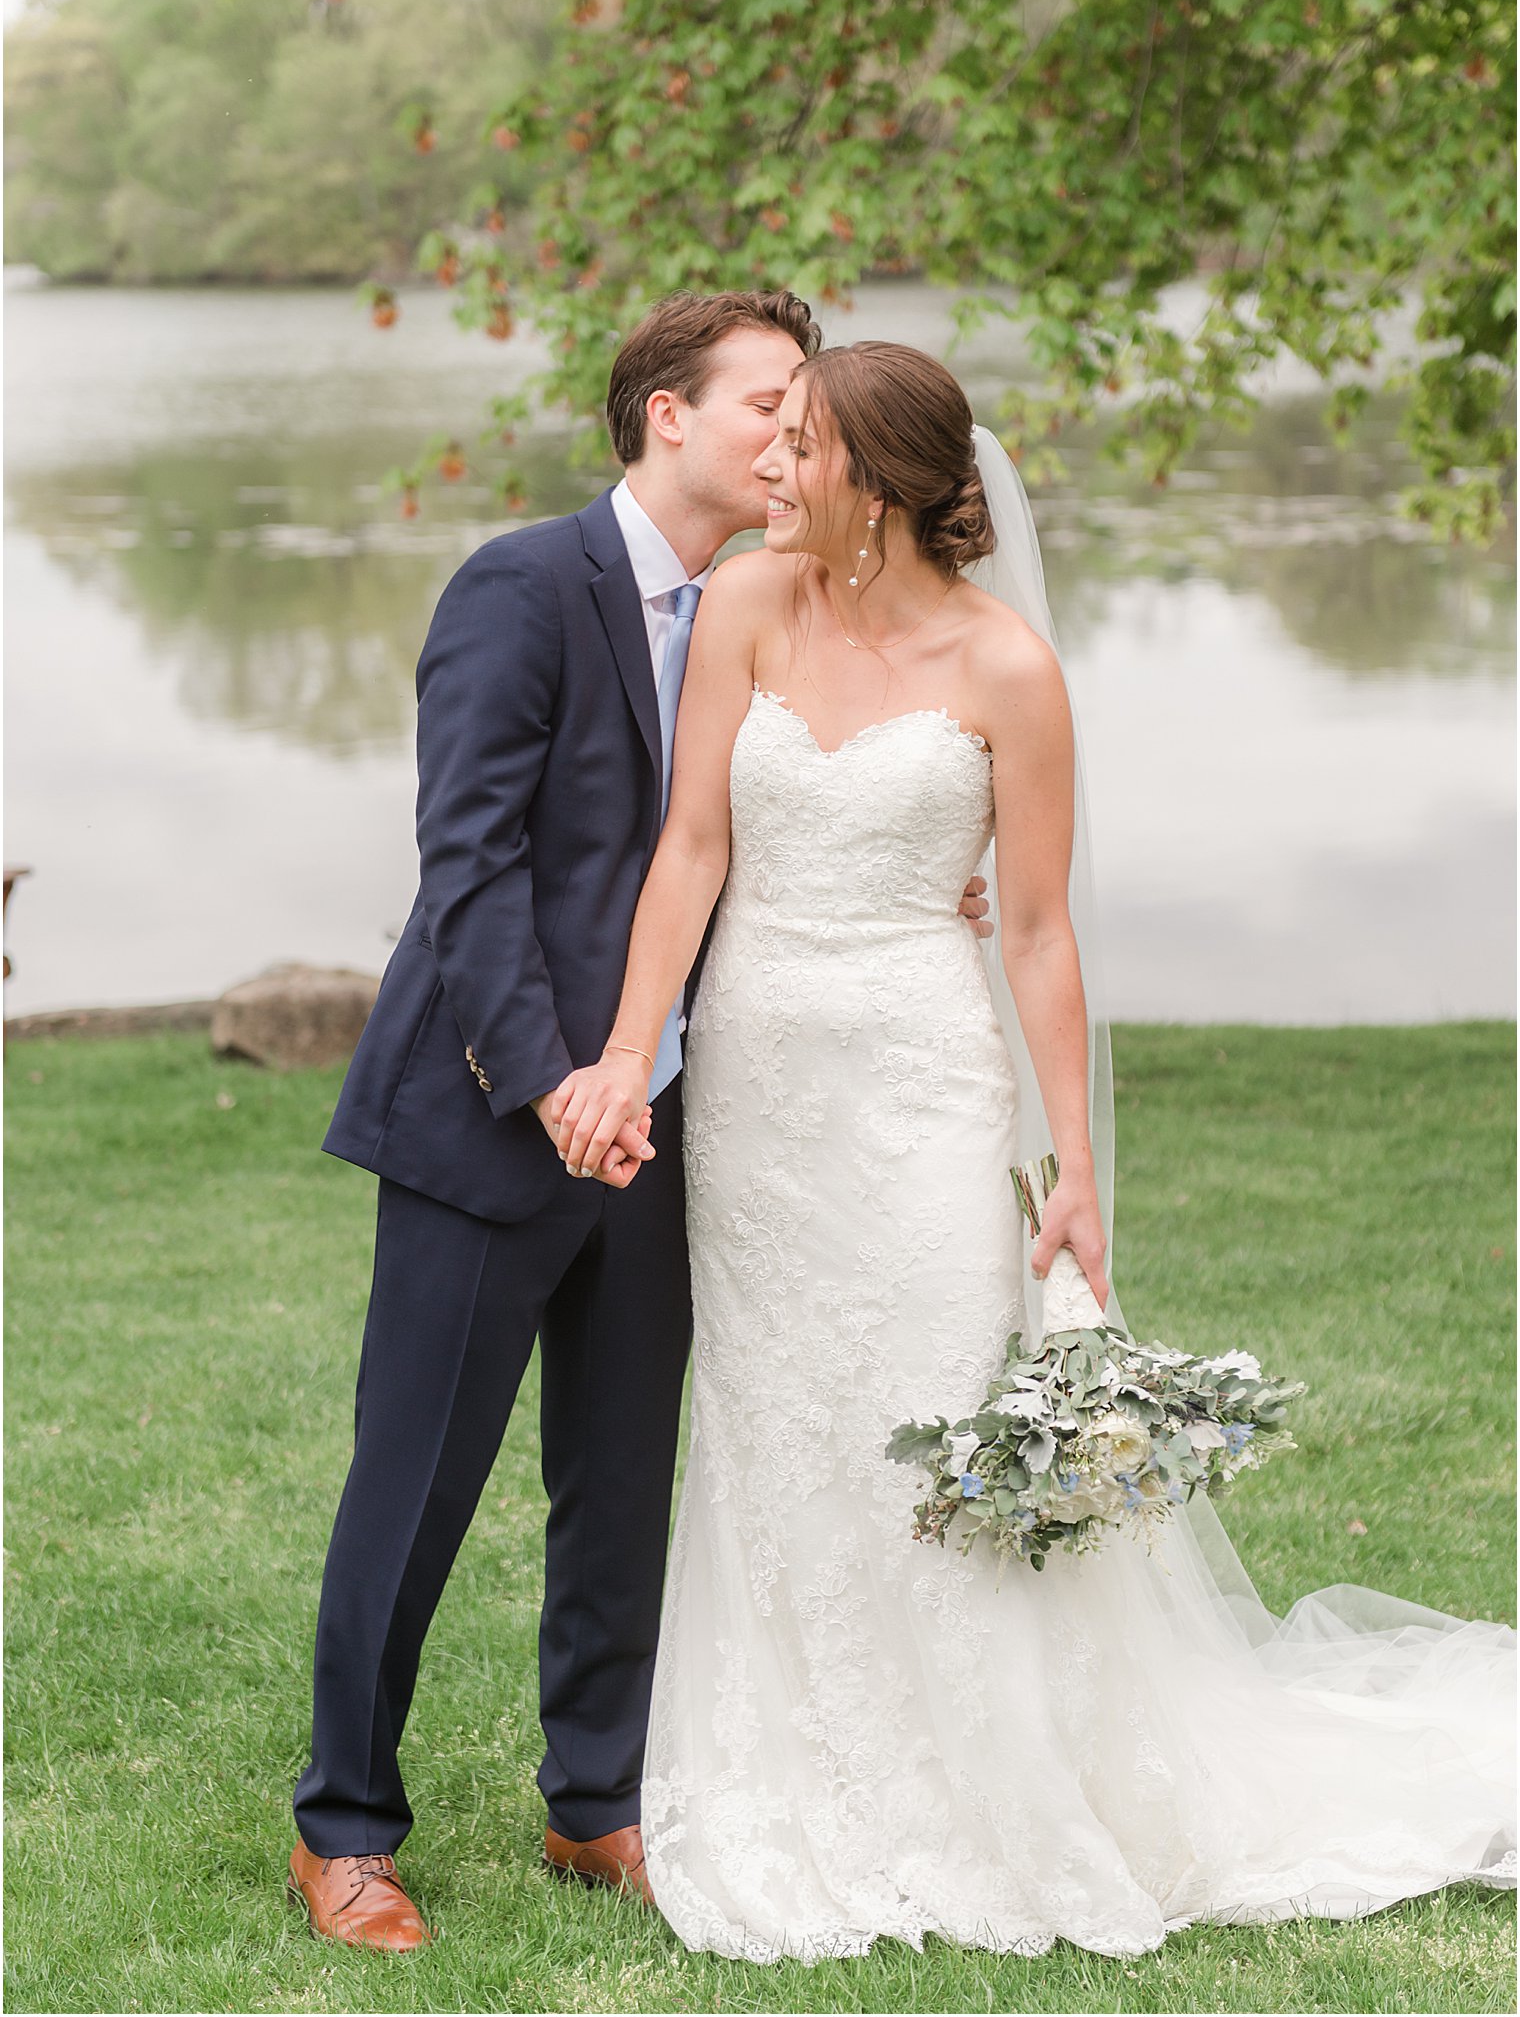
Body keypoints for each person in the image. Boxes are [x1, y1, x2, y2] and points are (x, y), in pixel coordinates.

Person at [551, 340, 1516, 1963]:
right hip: (768, 1089)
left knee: (927, 1405)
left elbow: (1047, 935)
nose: (774, 472)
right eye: (772, 440)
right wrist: (626, 1059)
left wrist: (1071, 1168)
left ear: (883, 480)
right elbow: (691, 852)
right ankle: (801, 1762)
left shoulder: (1007, 667)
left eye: (805, 449)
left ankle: (986, 1785)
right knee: (784, 1419)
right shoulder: (746, 610)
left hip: (929, 1089)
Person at [285, 290, 997, 1948]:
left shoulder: (790, 600)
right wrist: (552, 1087)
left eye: (804, 414)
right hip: (491, 1120)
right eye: (766, 402)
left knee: (620, 1475)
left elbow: (776, 835)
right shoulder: (524, 585)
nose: (789, 436)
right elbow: (468, 868)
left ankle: (593, 1796)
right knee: (418, 1481)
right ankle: (344, 1826)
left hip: (686, 1124)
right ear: (665, 415)